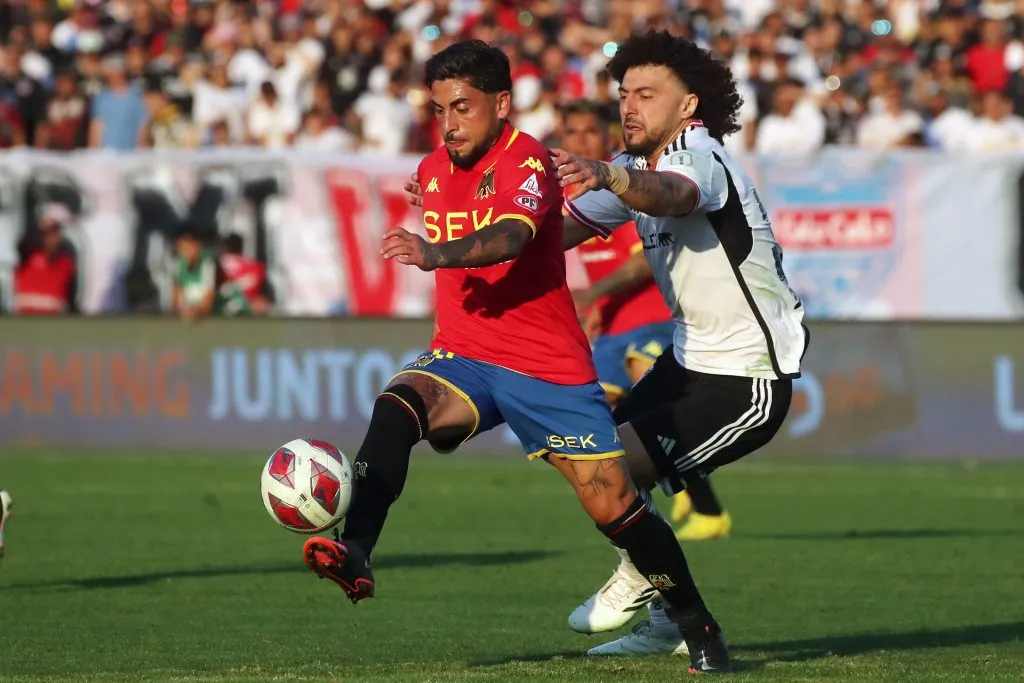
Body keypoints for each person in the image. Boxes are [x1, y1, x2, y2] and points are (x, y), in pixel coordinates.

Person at [303, 39, 733, 674]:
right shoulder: (433, 169)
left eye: (463, 108)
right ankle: (357, 550)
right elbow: (458, 207)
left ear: (501, 104)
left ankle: (699, 628)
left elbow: (510, 238)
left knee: (612, 504)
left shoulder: (526, 159)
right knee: (396, 407)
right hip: (465, 353)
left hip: (547, 369)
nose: (450, 124)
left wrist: (433, 252)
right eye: (440, 110)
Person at [553, 30, 808, 657]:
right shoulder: (635, 168)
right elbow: (550, 235)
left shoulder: (699, 155)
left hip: (746, 379)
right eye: (624, 94)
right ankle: (668, 615)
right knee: (590, 460)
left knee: (608, 471)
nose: (629, 106)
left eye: (646, 94)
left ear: (688, 105)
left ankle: (656, 591)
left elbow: (677, 195)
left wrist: (610, 174)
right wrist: (457, 240)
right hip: (688, 362)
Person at [560, 100, 734, 553]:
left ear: (607, 137)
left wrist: (592, 296)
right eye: (572, 133)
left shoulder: (626, 186)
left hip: (652, 317)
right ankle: (658, 507)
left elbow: (640, 265)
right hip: (612, 326)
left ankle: (706, 509)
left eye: (589, 131)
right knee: (604, 426)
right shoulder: (575, 198)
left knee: (651, 395)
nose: (581, 141)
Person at [0, 489, 11, 563]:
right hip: (3, 512)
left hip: (2, 512)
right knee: (1, 527)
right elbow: (9, 503)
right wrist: (8, 512)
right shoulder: (4, 493)